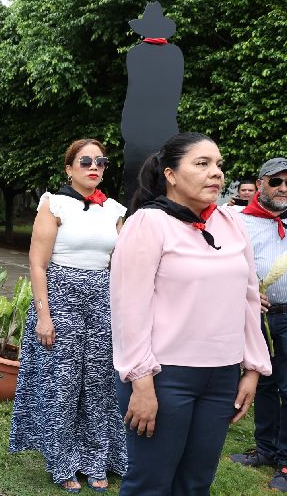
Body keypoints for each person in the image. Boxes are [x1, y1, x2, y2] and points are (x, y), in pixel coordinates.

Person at [111, 132, 272, 495]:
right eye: (202, 164)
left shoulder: (231, 223)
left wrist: (252, 368)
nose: (216, 173)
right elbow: (128, 308)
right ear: (170, 174)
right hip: (164, 376)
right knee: (150, 484)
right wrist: (141, 382)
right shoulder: (148, 224)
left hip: (222, 376)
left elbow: (248, 298)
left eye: (218, 164)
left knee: (196, 483)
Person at [9, 139, 127, 493]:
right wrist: (44, 316)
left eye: (100, 161)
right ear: (69, 168)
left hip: (101, 301)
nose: (94, 167)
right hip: (61, 299)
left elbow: (121, 263)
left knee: (99, 384)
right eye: (85, 161)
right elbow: (37, 263)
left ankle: (96, 460)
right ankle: (63, 463)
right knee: (62, 384)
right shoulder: (54, 203)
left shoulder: (114, 210)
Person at [230, 157, 287, 492]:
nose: (284, 188)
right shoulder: (241, 219)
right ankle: (266, 449)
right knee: (263, 382)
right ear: (260, 183)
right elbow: (230, 262)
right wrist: (247, 292)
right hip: (258, 315)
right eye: (276, 181)